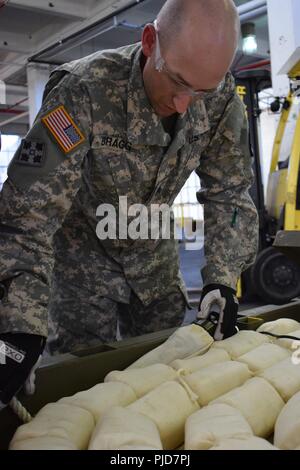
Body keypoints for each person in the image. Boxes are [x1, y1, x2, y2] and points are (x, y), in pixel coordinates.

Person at [0, 0, 258, 407]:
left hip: (155, 269)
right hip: (82, 276)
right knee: (79, 396)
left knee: (168, 389)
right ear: (150, 41)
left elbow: (230, 192)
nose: (183, 104)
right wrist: (18, 323)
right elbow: (26, 219)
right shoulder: (83, 91)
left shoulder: (222, 97)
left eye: (201, 91)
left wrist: (223, 278)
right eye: (176, 81)